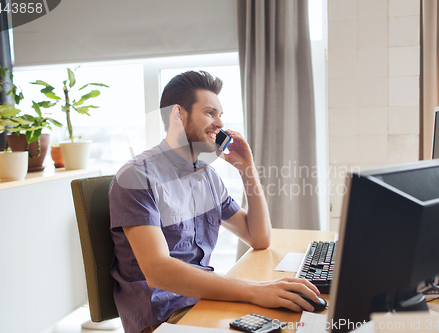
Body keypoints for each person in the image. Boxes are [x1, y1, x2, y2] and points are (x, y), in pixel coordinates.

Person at [108, 70, 319, 333]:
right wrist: (253, 290)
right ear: (178, 114)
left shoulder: (207, 175)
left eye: (220, 115)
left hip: (203, 299)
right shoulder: (137, 176)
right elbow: (158, 271)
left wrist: (247, 169)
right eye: (210, 113)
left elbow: (259, 238)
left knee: (299, 321)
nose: (219, 123)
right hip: (162, 317)